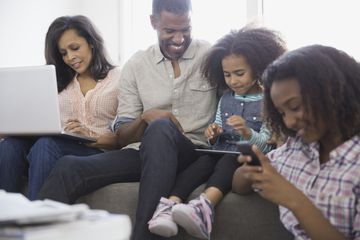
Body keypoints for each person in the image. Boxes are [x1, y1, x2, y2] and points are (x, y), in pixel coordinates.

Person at [38, 0, 217, 239]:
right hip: (143, 152)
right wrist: (144, 118)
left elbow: (240, 97)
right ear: (154, 23)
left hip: (193, 152)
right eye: (169, 31)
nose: (178, 39)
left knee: (161, 128)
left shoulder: (210, 56)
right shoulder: (136, 65)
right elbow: (122, 134)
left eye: (185, 29)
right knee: (68, 167)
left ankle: (142, 235)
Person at [147, 26, 287, 239]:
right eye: (227, 75)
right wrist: (213, 133)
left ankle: (203, 207)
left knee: (227, 162)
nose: (233, 81)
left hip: (244, 156)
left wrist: (247, 133)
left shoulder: (269, 101)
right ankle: (169, 206)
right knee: (201, 163)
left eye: (239, 74)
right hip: (221, 150)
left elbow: (267, 146)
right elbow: (215, 134)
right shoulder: (226, 98)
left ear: (259, 69)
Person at [232, 44, 360, 239]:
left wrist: (293, 199)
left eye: (295, 106)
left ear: (333, 92)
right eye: (282, 113)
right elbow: (239, 186)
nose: (289, 122)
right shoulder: (296, 149)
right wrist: (252, 169)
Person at [0, 15, 120, 200]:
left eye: (75, 48)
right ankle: (6, 219)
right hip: (52, 146)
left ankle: (37, 221)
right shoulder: (56, 82)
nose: (70, 57)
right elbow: (37, 120)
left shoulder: (118, 79)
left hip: (97, 152)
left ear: (91, 43)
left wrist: (90, 135)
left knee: (47, 145)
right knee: (10, 146)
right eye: (63, 53)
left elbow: (127, 135)